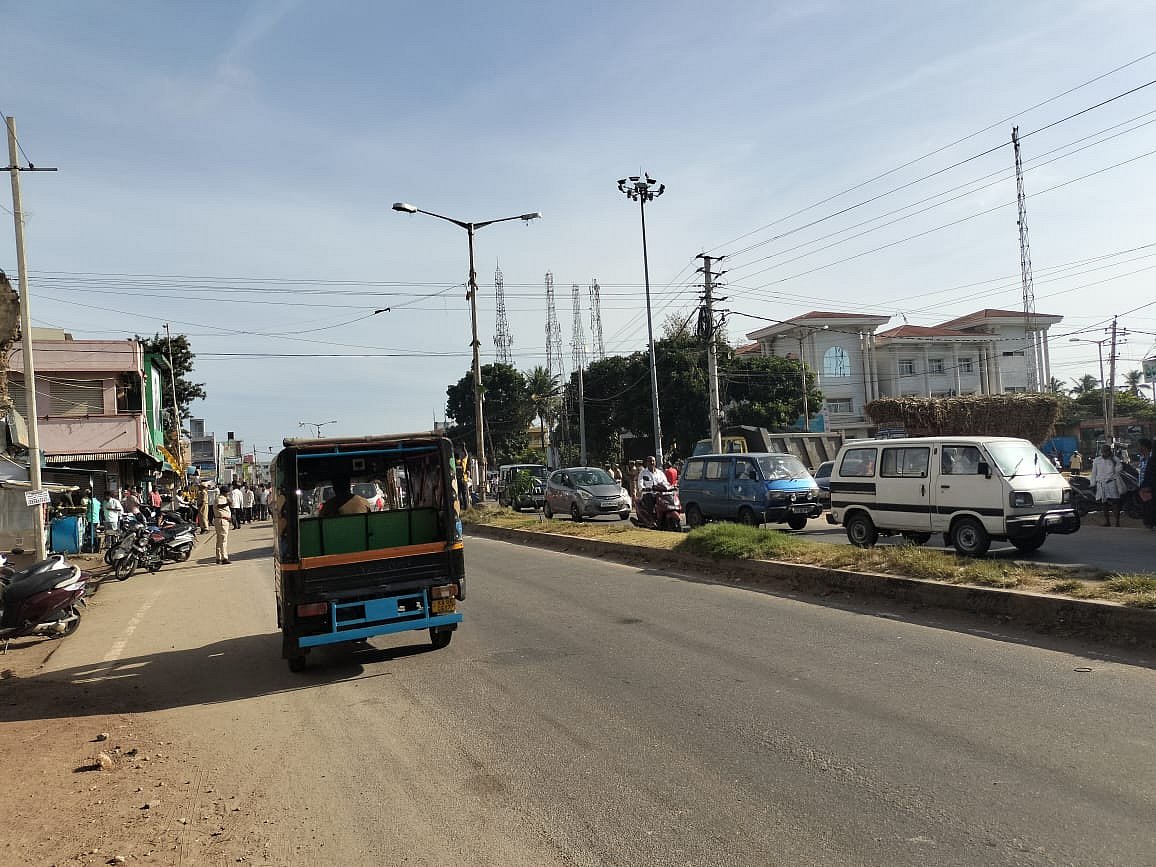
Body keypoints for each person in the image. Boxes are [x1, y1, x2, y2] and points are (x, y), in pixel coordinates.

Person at [1090, 444, 1124, 527]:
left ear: (1110, 451)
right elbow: (1094, 473)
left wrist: (1113, 461)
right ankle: (1107, 521)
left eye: (1106, 451)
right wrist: (1093, 484)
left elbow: (1119, 469)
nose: (1104, 453)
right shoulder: (1097, 460)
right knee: (1104, 504)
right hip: (1101, 484)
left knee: (1115, 502)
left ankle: (1117, 522)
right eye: (1103, 451)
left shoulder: (1115, 459)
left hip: (1111, 483)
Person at [1137, 438, 1155, 530]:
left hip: (1151, 487)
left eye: (1139, 446)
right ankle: (1149, 524)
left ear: (1144, 447)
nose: (1138, 448)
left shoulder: (1153, 458)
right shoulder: (1142, 458)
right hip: (1143, 487)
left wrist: (1148, 486)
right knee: (1146, 507)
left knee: (1151, 506)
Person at [213, 494, 232, 564]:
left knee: (219, 539)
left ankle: (218, 557)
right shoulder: (220, 498)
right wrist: (227, 503)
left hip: (223, 520)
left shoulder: (224, 498)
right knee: (223, 540)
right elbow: (219, 505)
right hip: (221, 521)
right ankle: (224, 558)